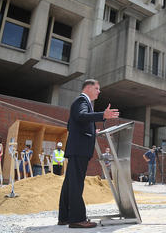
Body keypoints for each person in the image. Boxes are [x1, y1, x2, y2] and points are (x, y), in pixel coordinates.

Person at [58, 79, 119, 228]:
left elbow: (72, 123)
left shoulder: (82, 103)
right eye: (97, 88)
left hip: (76, 149)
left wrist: (92, 131)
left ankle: (65, 217)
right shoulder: (81, 101)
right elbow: (80, 117)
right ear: (88, 88)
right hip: (79, 150)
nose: (99, 91)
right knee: (76, 184)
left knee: (70, 184)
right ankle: (77, 219)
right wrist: (102, 115)